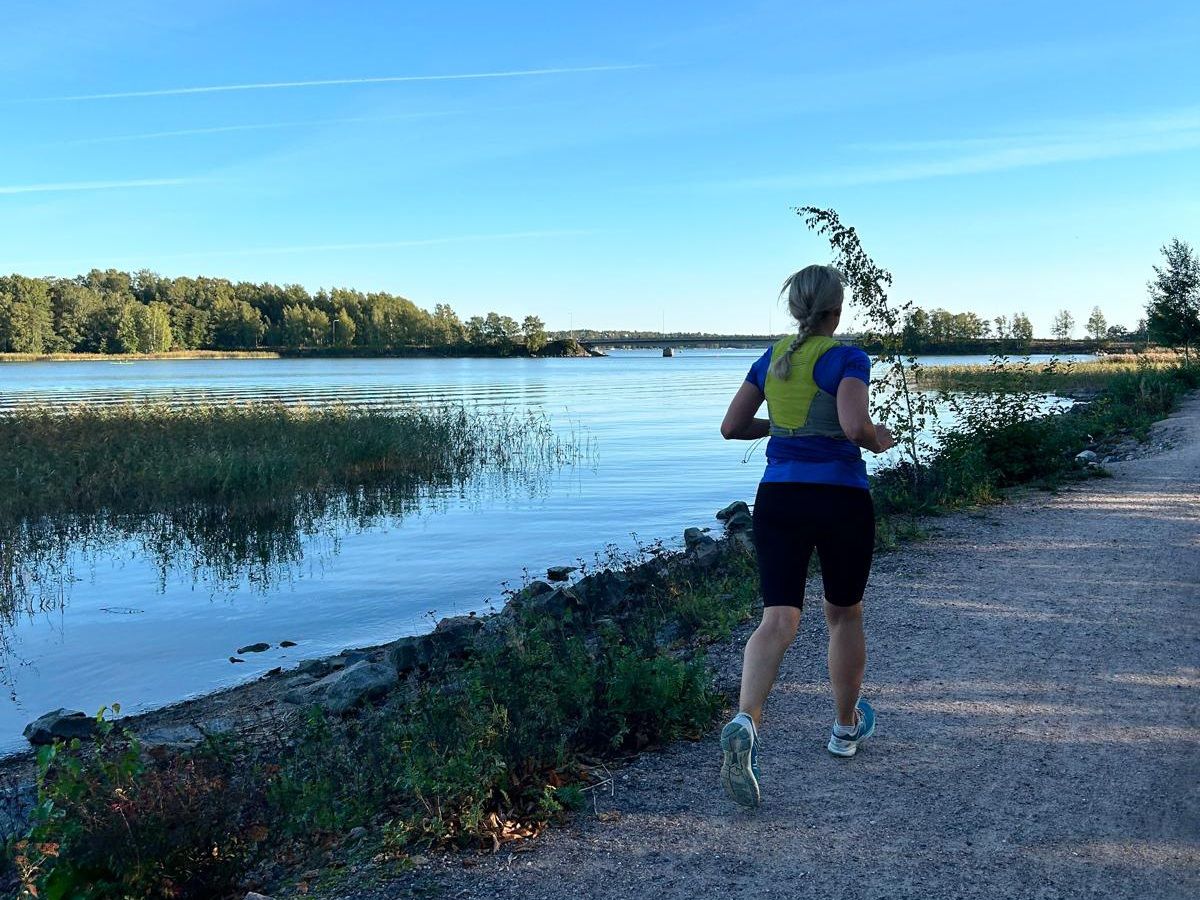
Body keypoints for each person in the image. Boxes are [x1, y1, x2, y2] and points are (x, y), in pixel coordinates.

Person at [717, 264, 895, 808]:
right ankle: (845, 729)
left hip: (779, 499)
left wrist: (780, 426)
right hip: (839, 498)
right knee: (843, 613)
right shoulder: (847, 357)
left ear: (795, 308)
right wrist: (878, 436)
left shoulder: (771, 359)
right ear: (836, 311)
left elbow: (731, 427)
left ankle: (747, 718)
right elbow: (851, 426)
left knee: (778, 618)